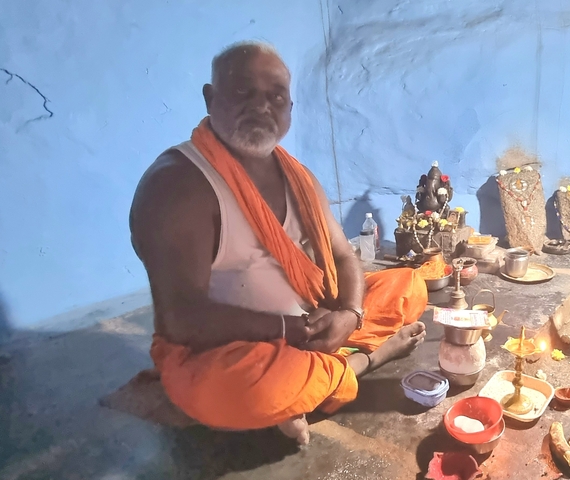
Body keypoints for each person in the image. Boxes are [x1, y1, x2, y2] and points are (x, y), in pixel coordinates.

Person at [128, 41, 428, 445]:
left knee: (408, 285)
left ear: (290, 109)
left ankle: (313, 378)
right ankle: (361, 362)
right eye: (243, 92)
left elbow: (343, 254)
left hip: (316, 321)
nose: (262, 106)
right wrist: (296, 329)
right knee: (239, 389)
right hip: (233, 348)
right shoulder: (177, 185)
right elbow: (182, 320)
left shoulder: (298, 175)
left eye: (276, 96)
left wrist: (351, 314)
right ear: (210, 97)